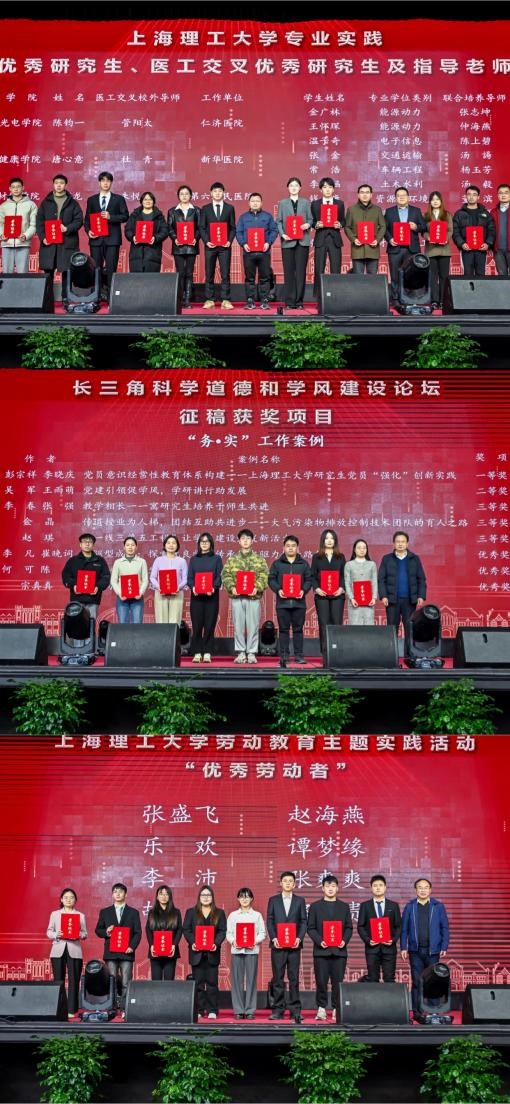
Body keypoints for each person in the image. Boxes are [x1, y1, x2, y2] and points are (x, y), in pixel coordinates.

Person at [401, 878, 449, 1017]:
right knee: (417, 981)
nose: (423, 890)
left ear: (430, 890)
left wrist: (444, 946)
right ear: (416, 890)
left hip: (433, 951)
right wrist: (403, 947)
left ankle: (434, 1011)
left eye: (426, 887)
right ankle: (417, 1011)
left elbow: (444, 927)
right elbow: (404, 929)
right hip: (415, 951)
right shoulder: (410, 906)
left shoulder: (438, 906)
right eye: (420, 887)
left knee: (433, 981)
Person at [307, 875, 352, 1021]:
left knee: (337, 982)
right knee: (321, 981)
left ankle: (336, 1008)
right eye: (327, 886)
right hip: (321, 951)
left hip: (339, 951)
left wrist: (344, 941)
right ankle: (321, 1008)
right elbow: (311, 928)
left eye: (333, 886)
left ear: (337, 888)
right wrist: (320, 941)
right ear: (322, 888)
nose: (330, 889)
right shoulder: (315, 907)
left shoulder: (344, 907)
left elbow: (349, 928)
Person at [221, 528, 269, 664]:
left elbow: (265, 575)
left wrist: (257, 587)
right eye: (243, 538)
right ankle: (241, 652)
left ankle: (252, 652)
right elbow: (225, 575)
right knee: (238, 626)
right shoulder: (232, 559)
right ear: (239, 541)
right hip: (237, 597)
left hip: (253, 597)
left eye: (248, 538)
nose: (245, 541)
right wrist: (232, 587)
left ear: (252, 541)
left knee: (253, 626)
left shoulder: (259, 559)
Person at [95, 882, 141, 1016]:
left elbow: (138, 932)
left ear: (125, 894)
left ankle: (125, 1008)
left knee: (126, 981)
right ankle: (112, 1007)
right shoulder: (105, 912)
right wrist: (107, 932)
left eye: (121, 891)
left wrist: (132, 946)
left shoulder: (133, 912)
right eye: (115, 891)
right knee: (112, 980)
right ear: (112, 894)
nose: (118, 894)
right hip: (111, 952)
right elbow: (98, 930)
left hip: (127, 952)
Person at [266, 871, 307, 1023]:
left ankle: (295, 1010)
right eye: (285, 881)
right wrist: (274, 938)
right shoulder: (273, 900)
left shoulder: (300, 901)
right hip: (278, 945)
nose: (288, 883)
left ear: (294, 884)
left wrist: (299, 938)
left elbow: (303, 921)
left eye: (291, 881)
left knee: (294, 978)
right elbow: (270, 920)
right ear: (281, 883)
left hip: (294, 946)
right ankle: (278, 1009)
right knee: (278, 978)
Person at [183, 885, 227, 1018]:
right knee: (198, 983)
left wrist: (216, 943)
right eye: (203, 895)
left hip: (212, 953)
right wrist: (193, 942)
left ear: (212, 897)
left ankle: (212, 1010)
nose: (206, 898)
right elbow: (186, 930)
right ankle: (200, 1010)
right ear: (199, 897)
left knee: (212, 983)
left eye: (208, 895)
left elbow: (222, 931)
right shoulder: (191, 912)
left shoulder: (219, 913)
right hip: (197, 953)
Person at [269, 535, 312, 667]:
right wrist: (278, 590)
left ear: (297, 547)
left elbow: (309, 580)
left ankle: (299, 656)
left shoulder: (304, 564)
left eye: (293, 546)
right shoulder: (277, 564)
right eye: (288, 546)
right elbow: (271, 579)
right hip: (282, 603)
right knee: (283, 630)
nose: (290, 548)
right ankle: (284, 656)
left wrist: (303, 590)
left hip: (299, 603)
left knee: (298, 630)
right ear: (283, 548)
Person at [84, 171, 129, 299]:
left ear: (111, 183)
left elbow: (125, 216)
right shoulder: (92, 200)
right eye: (103, 180)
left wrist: (111, 217)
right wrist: (89, 231)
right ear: (99, 183)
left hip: (112, 240)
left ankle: (111, 297)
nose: (105, 183)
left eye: (108, 180)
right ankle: (96, 296)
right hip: (96, 239)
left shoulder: (118, 199)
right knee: (96, 268)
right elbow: (87, 220)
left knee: (111, 268)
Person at [378, 531, 426, 649]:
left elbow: (421, 579)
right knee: (392, 628)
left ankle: (409, 653)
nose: (400, 544)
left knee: (410, 628)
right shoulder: (387, 559)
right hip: (392, 600)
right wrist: (383, 596)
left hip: (409, 600)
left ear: (407, 543)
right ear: (393, 544)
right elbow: (381, 579)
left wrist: (421, 595)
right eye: (398, 542)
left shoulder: (414, 559)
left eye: (403, 542)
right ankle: (391, 653)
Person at [47, 887, 87, 1017]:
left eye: (71, 897)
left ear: (75, 900)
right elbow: (49, 932)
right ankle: (59, 1009)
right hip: (58, 949)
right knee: (58, 980)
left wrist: (79, 935)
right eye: (66, 897)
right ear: (61, 900)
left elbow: (85, 933)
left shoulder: (80, 916)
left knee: (74, 980)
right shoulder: (54, 914)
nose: (68, 900)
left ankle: (71, 1010)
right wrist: (56, 934)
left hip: (74, 950)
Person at [226, 888, 266, 1019]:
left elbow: (262, 933)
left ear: (252, 899)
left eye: (247, 897)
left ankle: (250, 1010)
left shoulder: (257, 915)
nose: (244, 899)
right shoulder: (233, 915)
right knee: (236, 981)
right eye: (242, 897)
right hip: (236, 951)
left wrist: (254, 941)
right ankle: (238, 1010)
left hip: (252, 951)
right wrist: (234, 941)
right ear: (238, 899)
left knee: (251, 981)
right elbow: (228, 933)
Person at [235, 192, 278, 310]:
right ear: (249, 203)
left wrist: (268, 242)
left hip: (264, 252)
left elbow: (274, 230)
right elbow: (238, 232)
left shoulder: (267, 216)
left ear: (261, 203)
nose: (255, 203)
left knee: (265, 277)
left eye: (257, 201)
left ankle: (264, 300)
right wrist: (243, 244)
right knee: (249, 278)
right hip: (248, 252)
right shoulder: (243, 217)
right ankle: (250, 300)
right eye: (253, 201)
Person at [384, 187, 427, 304]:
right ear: (395, 198)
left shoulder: (416, 211)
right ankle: (395, 299)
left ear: (408, 197)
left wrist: (416, 227)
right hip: (395, 248)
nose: (401, 197)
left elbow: (424, 227)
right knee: (395, 276)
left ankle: (410, 298)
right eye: (399, 195)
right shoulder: (389, 211)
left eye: (404, 195)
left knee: (411, 275)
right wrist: (390, 239)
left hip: (411, 249)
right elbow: (384, 229)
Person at [36, 173, 83, 279]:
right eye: (56, 183)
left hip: (67, 241)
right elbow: (39, 221)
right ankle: (48, 291)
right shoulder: (45, 202)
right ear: (53, 184)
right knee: (48, 273)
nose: (59, 185)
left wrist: (67, 228)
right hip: (49, 241)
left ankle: (66, 291)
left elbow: (79, 220)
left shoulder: (73, 203)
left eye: (61, 183)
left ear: (65, 185)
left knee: (67, 272)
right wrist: (43, 238)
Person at [276, 177, 313, 310]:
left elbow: (311, 219)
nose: (294, 187)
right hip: (288, 241)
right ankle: (290, 301)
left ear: (300, 188)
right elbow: (279, 221)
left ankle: (299, 301)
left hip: (302, 241)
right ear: (288, 188)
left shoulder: (306, 202)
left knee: (301, 272)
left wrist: (307, 225)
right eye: (291, 185)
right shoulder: (282, 203)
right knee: (289, 272)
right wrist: (282, 234)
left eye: (296, 185)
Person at [357, 875, 402, 984]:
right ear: (371, 888)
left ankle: (390, 996)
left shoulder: (393, 905)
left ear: (385, 887)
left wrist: (393, 940)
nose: (378, 888)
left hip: (389, 949)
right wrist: (368, 940)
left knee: (389, 979)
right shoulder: (365, 906)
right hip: (372, 949)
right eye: (375, 885)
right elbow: (360, 926)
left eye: (381, 885)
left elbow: (399, 926)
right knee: (373, 979)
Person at [199, 181, 236, 309]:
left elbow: (232, 227)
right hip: (210, 246)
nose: (217, 193)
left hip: (225, 247)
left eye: (220, 191)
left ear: (223, 193)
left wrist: (229, 241)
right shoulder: (205, 209)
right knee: (209, 273)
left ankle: (226, 299)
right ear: (211, 193)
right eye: (215, 191)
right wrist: (206, 241)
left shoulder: (229, 208)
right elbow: (202, 227)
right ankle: (209, 299)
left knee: (225, 273)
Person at [187, 531, 223, 663]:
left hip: (211, 597)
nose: (204, 544)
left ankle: (207, 652)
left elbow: (219, 576)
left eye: (207, 541)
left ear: (211, 544)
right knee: (197, 625)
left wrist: (213, 588)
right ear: (199, 544)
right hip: (196, 597)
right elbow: (190, 578)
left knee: (209, 625)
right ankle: (197, 652)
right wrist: (193, 587)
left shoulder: (217, 559)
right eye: (202, 541)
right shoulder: (194, 559)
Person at [311, 529, 346, 656]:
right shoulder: (317, 557)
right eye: (327, 538)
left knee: (337, 622)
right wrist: (317, 589)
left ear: (335, 541)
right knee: (323, 623)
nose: (329, 540)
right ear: (323, 541)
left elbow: (344, 575)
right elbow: (312, 576)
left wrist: (341, 588)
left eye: (332, 538)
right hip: (322, 596)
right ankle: (325, 652)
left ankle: (337, 651)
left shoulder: (341, 557)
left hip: (338, 595)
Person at [61, 533, 111, 621]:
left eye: (90, 542)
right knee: (76, 624)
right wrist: (74, 585)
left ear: (93, 545)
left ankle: (91, 631)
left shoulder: (100, 561)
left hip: (93, 599)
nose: (87, 544)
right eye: (84, 542)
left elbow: (106, 577)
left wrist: (98, 587)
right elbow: (66, 576)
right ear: (80, 544)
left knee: (91, 623)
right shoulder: (73, 561)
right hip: (77, 599)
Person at [311, 177, 346, 299]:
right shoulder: (315, 204)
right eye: (325, 187)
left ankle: (336, 296)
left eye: (330, 187)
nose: (327, 190)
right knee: (318, 269)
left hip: (335, 239)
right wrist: (316, 224)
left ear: (333, 189)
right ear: (320, 189)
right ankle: (318, 297)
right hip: (320, 238)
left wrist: (339, 224)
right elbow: (311, 221)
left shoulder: (339, 204)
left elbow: (343, 220)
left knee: (336, 269)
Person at [167, 184, 200, 307]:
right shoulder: (172, 211)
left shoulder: (197, 210)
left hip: (192, 246)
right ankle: (180, 298)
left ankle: (188, 299)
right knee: (180, 272)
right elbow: (169, 228)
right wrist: (175, 238)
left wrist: (196, 238)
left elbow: (200, 227)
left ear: (191, 196)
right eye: (182, 194)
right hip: (178, 246)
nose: (184, 196)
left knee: (189, 273)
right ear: (178, 196)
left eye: (186, 194)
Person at [452, 185, 495, 278]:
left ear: (478, 197)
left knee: (481, 276)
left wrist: (487, 243)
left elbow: (491, 230)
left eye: (474, 194)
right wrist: (462, 243)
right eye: (469, 194)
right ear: (466, 196)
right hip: (466, 249)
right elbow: (455, 231)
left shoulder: (485, 213)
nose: (471, 197)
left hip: (481, 250)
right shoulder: (459, 214)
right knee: (467, 275)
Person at [345, 185, 386, 274]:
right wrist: (354, 239)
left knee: (372, 277)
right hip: (357, 249)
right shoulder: (351, 210)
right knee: (358, 277)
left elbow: (383, 226)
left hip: (373, 249)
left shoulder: (377, 210)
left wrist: (377, 240)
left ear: (371, 195)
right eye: (362, 192)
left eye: (367, 192)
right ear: (358, 195)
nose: (364, 195)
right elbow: (347, 227)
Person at [0, 176, 37, 273]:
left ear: (23, 188)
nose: (16, 189)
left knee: (22, 274)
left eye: (18, 186)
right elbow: (0, 223)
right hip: (7, 243)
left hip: (23, 244)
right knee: (7, 274)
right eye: (13, 187)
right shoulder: (3, 206)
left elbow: (34, 225)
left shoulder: (31, 205)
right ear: (10, 189)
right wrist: (1, 235)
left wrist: (25, 235)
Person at [146, 884, 183, 981]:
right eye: (161, 894)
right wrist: (151, 945)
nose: (164, 896)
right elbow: (148, 930)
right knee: (156, 981)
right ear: (157, 897)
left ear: (170, 897)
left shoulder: (176, 912)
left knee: (169, 981)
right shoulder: (152, 912)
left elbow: (179, 930)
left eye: (166, 894)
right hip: (155, 951)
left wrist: (174, 945)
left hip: (171, 950)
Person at [124, 191, 168, 273]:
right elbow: (128, 229)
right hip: (136, 253)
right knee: (136, 278)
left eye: (150, 199)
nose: (148, 201)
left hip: (153, 253)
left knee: (151, 278)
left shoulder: (159, 216)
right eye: (145, 199)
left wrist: (155, 238)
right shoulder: (135, 215)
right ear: (141, 201)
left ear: (153, 201)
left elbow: (165, 231)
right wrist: (133, 237)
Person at [423, 191, 454, 308]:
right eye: (433, 199)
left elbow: (450, 230)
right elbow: (423, 231)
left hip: (444, 250)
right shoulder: (426, 216)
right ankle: (435, 300)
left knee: (444, 277)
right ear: (430, 202)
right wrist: (428, 237)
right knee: (432, 277)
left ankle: (442, 300)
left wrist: (446, 238)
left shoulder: (447, 215)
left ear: (441, 201)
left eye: (437, 199)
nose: (435, 201)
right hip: (431, 250)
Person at [150, 534, 188, 625]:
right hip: (160, 593)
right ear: (164, 545)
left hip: (177, 593)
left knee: (175, 621)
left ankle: (174, 635)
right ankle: (161, 635)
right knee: (161, 620)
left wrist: (178, 587)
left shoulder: (182, 561)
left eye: (174, 543)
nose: (171, 545)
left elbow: (185, 579)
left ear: (177, 546)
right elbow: (152, 577)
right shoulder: (158, 560)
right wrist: (159, 587)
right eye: (168, 543)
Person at [111, 537, 148, 624]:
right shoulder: (118, 562)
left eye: (132, 545)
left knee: (137, 623)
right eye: (127, 545)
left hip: (137, 598)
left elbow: (145, 580)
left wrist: (140, 593)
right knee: (123, 623)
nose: (130, 547)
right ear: (124, 547)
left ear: (136, 547)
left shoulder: (142, 562)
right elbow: (113, 580)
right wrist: (120, 593)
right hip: (122, 598)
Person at [344, 539, 378, 626]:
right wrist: (351, 598)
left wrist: (374, 598)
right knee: (355, 626)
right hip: (354, 602)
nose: (362, 550)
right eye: (359, 548)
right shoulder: (349, 565)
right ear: (354, 550)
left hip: (369, 602)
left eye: (364, 548)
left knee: (369, 627)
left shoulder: (372, 564)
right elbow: (347, 583)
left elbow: (374, 582)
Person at [490, 183, 510, 277]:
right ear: (498, 195)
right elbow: (489, 230)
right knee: (502, 277)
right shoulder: (493, 212)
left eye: (506, 192)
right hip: (498, 250)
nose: (503, 195)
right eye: (501, 193)